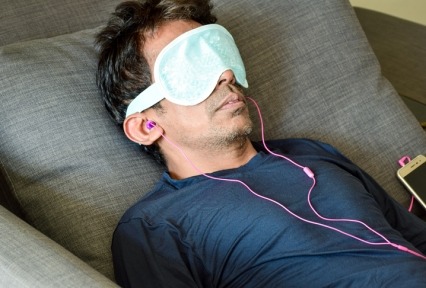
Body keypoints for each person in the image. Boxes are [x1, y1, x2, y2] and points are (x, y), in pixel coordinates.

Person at [96, 0, 426, 287]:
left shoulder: (310, 153)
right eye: (192, 70)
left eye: (221, 58)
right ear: (145, 126)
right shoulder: (155, 226)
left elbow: (414, 237)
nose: (225, 76)